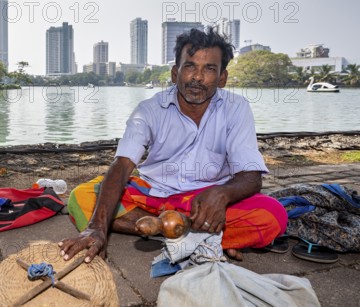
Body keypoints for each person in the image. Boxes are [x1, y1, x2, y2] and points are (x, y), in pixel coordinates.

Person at [58, 27, 288, 266]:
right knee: (80, 197)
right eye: (190, 66)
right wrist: (95, 228)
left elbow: (251, 176)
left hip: (206, 201)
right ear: (175, 73)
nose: (197, 77)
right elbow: (123, 164)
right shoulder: (149, 110)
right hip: (153, 193)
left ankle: (165, 229)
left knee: (273, 215)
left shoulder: (236, 108)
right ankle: (194, 235)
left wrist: (222, 194)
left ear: (222, 78)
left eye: (209, 69)